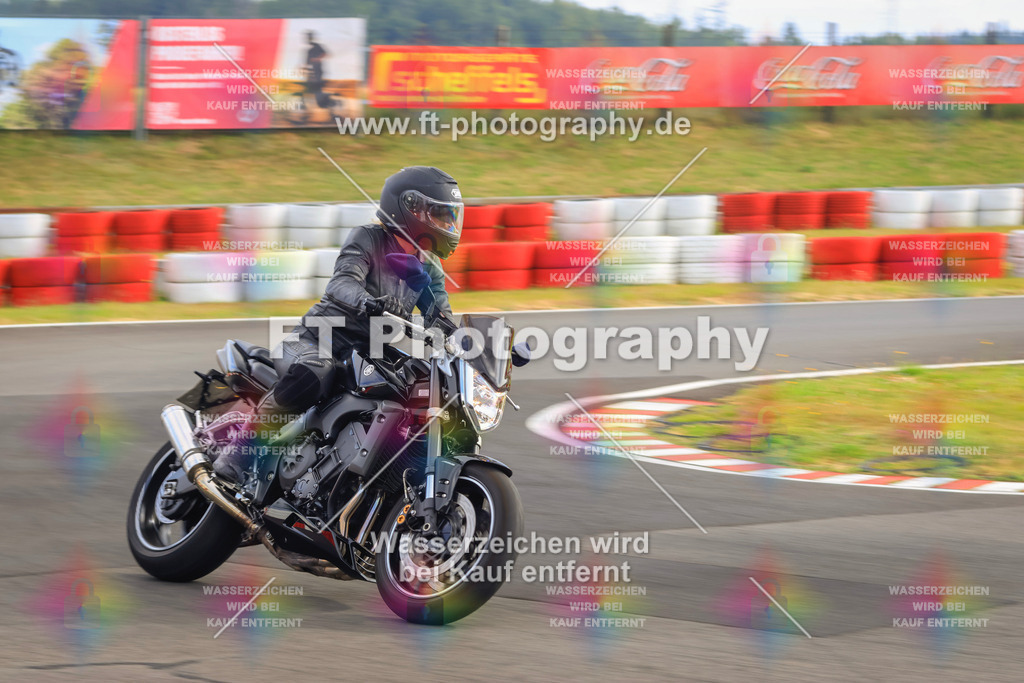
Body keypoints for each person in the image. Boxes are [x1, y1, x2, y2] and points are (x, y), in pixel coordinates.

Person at [213, 166, 464, 483]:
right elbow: (341, 284)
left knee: (412, 390)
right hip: (315, 341)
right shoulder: (369, 238)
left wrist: (473, 345)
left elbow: (442, 319)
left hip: (366, 355)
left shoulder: (429, 267)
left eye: (451, 216)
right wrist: (367, 301)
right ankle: (239, 452)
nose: (449, 224)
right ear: (411, 208)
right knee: (315, 370)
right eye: (441, 215)